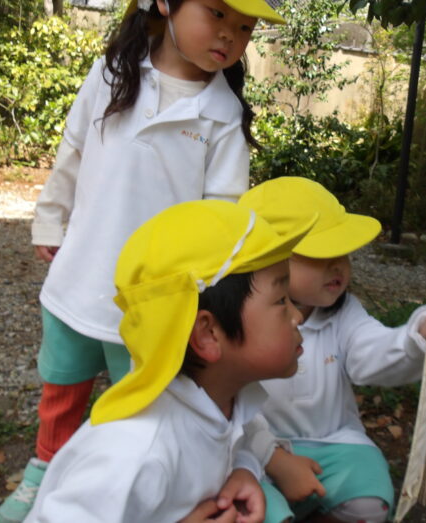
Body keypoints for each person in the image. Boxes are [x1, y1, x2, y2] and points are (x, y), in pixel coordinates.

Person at [0, 0, 285, 521]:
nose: (230, 35)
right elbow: (74, 148)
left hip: (156, 298)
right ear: (167, 0)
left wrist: (209, 285)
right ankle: (46, 465)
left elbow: (222, 216)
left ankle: (134, 484)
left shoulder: (222, 115)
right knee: (62, 380)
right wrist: (50, 220)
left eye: (245, 27)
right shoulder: (113, 72)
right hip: (83, 268)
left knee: (142, 401)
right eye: (216, 14)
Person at [24, 199, 315, 522]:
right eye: (281, 301)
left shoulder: (224, 399)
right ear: (208, 334)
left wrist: (243, 470)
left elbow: (234, 439)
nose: (298, 316)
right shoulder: (134, 452)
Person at [238, 177, 426, 523]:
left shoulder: (344, 314)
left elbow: (371, 351)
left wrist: (416, 337)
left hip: (332, 445)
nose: (338, 265)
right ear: (267, 261)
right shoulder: (242, 324)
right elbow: (231, 405)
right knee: (255, 507)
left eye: (343, 252)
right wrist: (274, 459)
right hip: (258, 453)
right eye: (322, 255)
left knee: (369, 500)